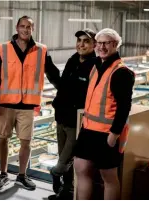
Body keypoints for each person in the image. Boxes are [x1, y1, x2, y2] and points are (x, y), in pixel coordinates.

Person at [0, 15, 60, 191]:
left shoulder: (41, 50)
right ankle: (3, 174)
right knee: (3, 139)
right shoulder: (3, 48)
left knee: (26, 142)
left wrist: (64, 90)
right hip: (5, 104)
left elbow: (53, 74)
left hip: (27, 105)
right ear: (17, 27)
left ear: (32, 29)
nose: (25, 29)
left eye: (29, 27)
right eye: (22, 26)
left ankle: (22, 175)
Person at [73, 28, 135, 200]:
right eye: (99, 43)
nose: (101, 47)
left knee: (108, 177)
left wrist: (114, 135)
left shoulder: (121, 72)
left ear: (115, 44)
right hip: (88, 130)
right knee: (80, 168)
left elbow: (124, 108)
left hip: (107, 133)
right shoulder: (95, 66)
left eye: (106, 43)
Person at [48, 29, 97, 200]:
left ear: (94, 45)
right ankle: (66, 192)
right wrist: (48, 65)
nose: (81, 44)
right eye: (79, 40)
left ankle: (55, 173)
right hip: (61, 118)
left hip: (77, 122)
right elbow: (62, 86)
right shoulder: (72, 60)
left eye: (86, 41)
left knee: (64, 161)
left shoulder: (95, 66)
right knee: (65, 158)